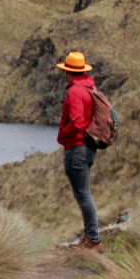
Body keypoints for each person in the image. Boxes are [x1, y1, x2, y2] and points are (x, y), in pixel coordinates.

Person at [56, 50, 103, 251]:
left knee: (83, 194)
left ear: (68, 72)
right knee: (83, 193)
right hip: (88, 148)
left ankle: (93, 239)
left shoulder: (75, 91)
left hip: (77, 148)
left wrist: (62, 134)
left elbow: (76, 122)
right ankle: (90, 237)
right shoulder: (89, 88)